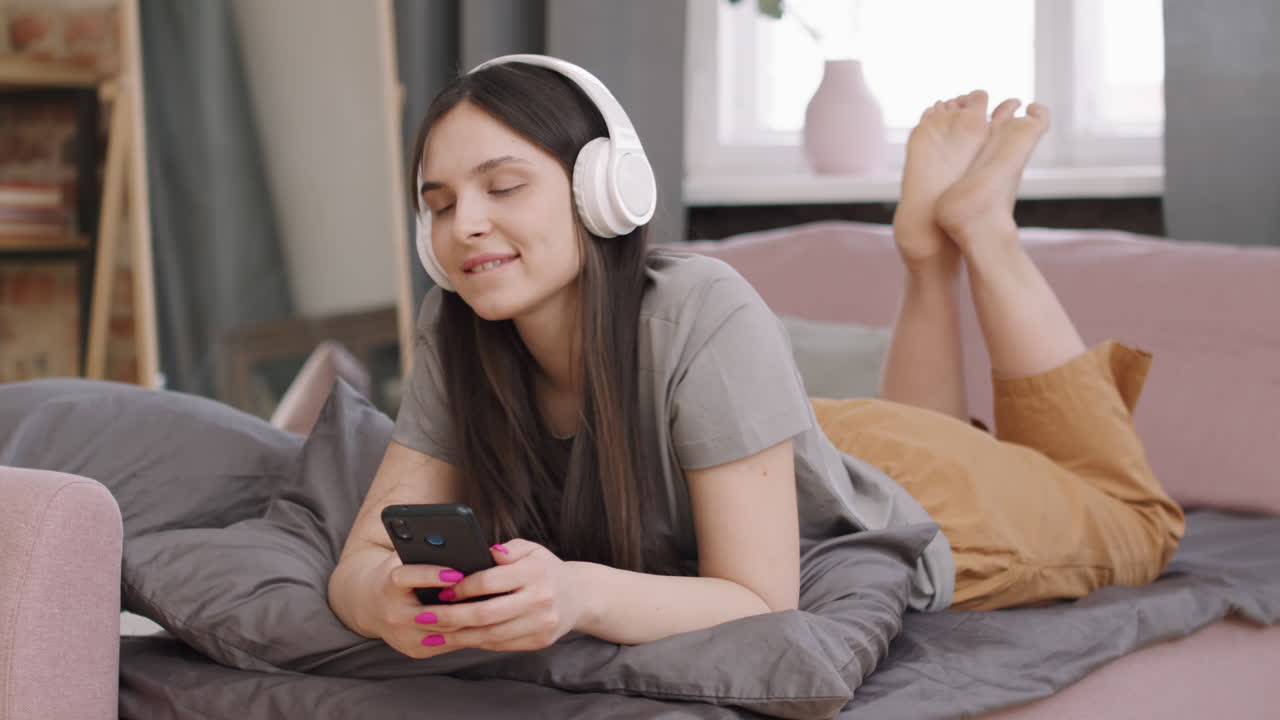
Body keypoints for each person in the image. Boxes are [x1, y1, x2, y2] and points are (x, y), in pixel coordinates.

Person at [327, 54, 1185, 659]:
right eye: (438, 205)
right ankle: (928, 259)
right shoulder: (459, 328)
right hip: (791, 455)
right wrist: (386, 603)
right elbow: (358, 567)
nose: (464, 224)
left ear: (604, 190)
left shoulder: (703, 306)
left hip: (923, 504)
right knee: (930, 438)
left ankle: (982, 232)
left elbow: (762, 602)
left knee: (1137, 521)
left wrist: (580, 594)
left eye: (503, 186)